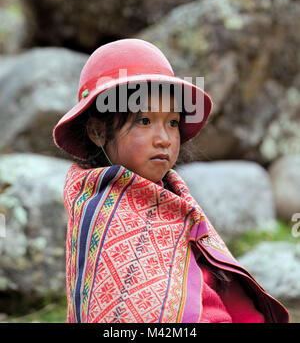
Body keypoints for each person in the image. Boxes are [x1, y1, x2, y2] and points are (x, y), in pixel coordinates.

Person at [53, 38, 289, 323]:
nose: (164, 139)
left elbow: (229, 293)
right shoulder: (101, 214)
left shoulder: (176, 201)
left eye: (173, 123)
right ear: (98, 132)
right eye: (144, 121)